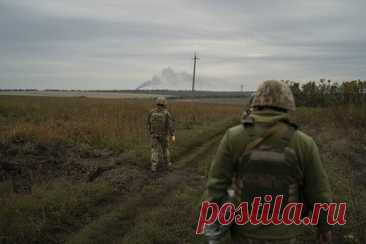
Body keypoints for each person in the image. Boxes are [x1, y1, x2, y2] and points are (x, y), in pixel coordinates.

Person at [205, 80, 332, 244]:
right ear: (288, 104)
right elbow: (318, 191)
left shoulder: (233, 137)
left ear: (257, 102)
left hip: (243, 232)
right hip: (285, 234)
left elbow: (216, 184)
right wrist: (325, 227)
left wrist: (211, 221)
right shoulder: (304, 142)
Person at [147, 96, 176, 172]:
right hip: (164, 135)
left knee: (154, 150)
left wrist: (150, 132)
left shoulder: (152, 112)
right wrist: (172, 135)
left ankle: (154, 166)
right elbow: (170, 125)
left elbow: (148, 123)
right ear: (164, 104)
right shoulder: (166, 113)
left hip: (154, 135)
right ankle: (167, 164)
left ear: (157, 103)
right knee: (165, 150)